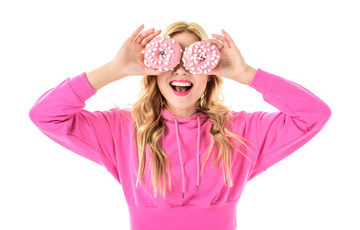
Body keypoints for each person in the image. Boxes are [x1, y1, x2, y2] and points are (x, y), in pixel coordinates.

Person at [29, 21, 332, 230]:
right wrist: (114, 69)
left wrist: (246, 73)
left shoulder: (240, 131)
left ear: (211, 71)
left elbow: (314, 115)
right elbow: (45, 115)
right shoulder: (123, 129)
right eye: (168, 58)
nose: (181, 70)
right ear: (153, 71)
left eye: (194, 59)